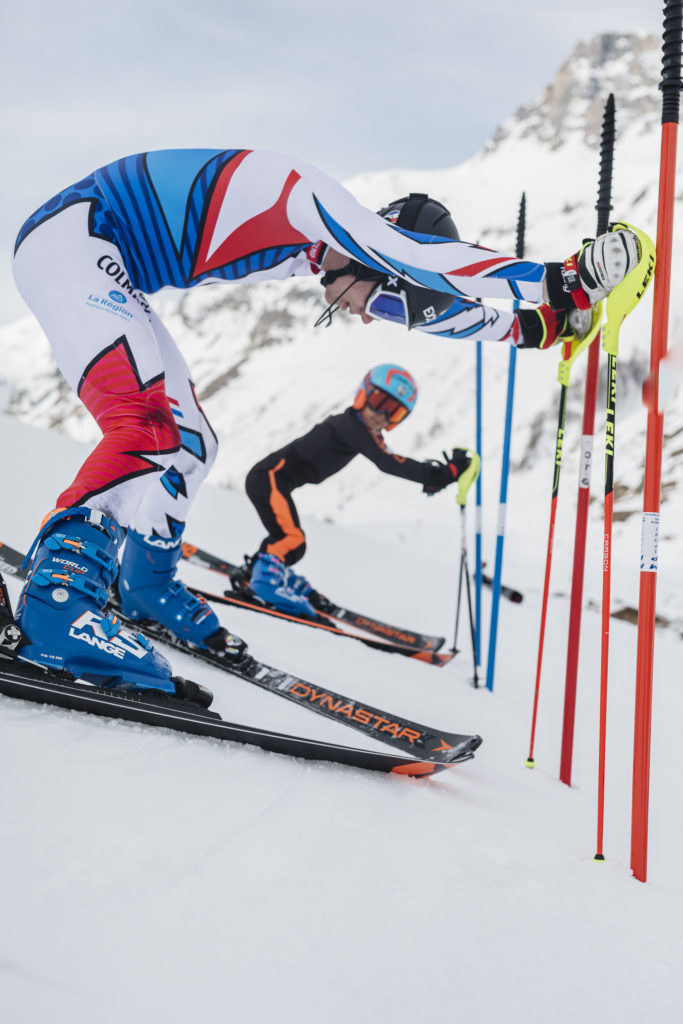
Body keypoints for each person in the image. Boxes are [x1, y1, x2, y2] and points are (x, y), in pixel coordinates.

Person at [11, 147, 643, 701]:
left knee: (195, 442)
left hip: (97, 253)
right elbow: (420, 260)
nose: (369, 319)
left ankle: (146, 585)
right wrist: (565, 281)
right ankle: (57, 600)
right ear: (381, 250)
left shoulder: (321, 253)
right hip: (76, 240)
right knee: (148, 427)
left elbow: (433, 306)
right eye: (381, 299)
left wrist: (534, 329)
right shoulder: (314, 202)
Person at [240, 363, 475, 617]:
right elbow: (385, 462)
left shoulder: (363, 432)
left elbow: (389, 457)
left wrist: (438, 477)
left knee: (290, 538)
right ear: (364, 394)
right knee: (292, 539)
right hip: (270, 478)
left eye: (393, 412)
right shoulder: (348, 424)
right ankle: (264, 584)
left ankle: (263, 570)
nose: (381, 415)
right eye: (378, 401)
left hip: (277, 482)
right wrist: (440, 475)